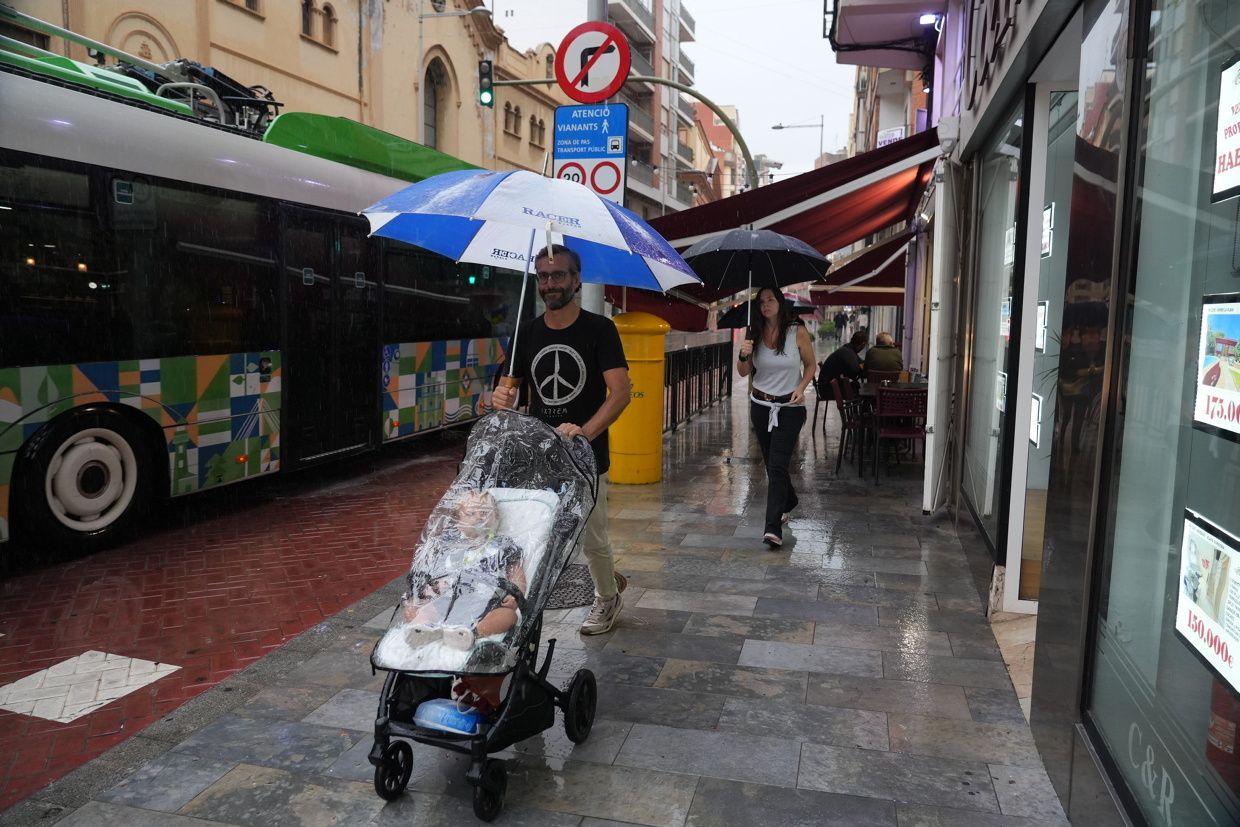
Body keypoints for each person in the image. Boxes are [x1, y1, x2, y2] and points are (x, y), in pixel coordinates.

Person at [490, 244, 630, 635]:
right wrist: (501, 397)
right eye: (544, 276)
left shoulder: (600, 329)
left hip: (585, 456)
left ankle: (607, 597)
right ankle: (522, 601)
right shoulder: (527, 332)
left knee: (592, 536)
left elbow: (620, 393)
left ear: (576, 280)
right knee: (534, 533)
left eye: (559, 275)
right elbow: (508, 391)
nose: (550, 283)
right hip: (540, 454)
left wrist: (585, 432)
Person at [737, 286, 816, 549]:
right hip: (760, 405)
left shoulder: (797, 332)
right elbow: (742, 371)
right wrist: (743, 353)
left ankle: (772, 528)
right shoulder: (754, 334)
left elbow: (811, 364)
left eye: (771, 300)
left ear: (780, 303)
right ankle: (789, 500)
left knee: (779, 465)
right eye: (761, 302)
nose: (766, 305)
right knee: (772, 464)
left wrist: (801, 387)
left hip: (790, 409)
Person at [402, 490, 526, 651]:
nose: (479, 517)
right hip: (446, 601)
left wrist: (515, 595)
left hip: (487, 603)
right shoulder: (448, 546)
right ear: (458, 521)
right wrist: (417, 601)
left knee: (508, 616)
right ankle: (423, 632)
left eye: (485, 513)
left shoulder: (503, 546)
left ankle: (471, 634)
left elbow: (517, 575)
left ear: (496, 519)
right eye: (471, 513)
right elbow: (428, 576)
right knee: (425, 611)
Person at [819, 330, 869, 394]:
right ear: (863, 344)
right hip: (828, 389)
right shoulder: (848, 352)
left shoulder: (848, 349)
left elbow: (860, 362)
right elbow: (854, 371)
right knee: (858, 388)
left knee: (856, 386)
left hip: (826, 386)